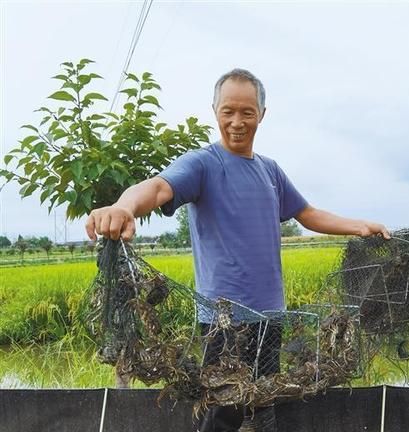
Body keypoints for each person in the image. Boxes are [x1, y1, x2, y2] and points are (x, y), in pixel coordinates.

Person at [85, 68, 389, 431]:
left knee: (264, 407)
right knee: (222, 415)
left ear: (262, 114)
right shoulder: (202, 164)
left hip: (270, 317)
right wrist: (123, 206)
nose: (237, 122)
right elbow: (157, 188)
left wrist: (359, 226)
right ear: (214, 111)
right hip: (222, 323)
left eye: (247, 112)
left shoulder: (270, 171)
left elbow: (307, 214)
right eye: (228, 111)